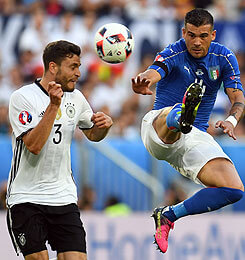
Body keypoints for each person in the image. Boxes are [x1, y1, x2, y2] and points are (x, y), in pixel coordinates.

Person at [131, 8, 245, 254]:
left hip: (194, 138)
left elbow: (238, 97)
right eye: (191, 35)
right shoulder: (173, 51)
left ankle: (169, 215)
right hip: (157, 128)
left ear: (213, 34)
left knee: (234, 190)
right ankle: (181, 114)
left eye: (203, 35)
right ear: (183, 32)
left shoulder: (224, 58)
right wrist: (145, 80)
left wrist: (232, 121)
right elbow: (155, 71)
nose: (196, 41)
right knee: (172, 115)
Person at [6, 40, 113, 260]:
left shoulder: (77, 97)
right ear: (53, 67)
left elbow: (92, 134)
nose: (78, 73)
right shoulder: (23, 98)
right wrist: (53, 106)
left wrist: (103, 128)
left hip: (62, 196)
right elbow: (34, 146)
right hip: (26, 197)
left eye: (79, 67)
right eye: (73, 67)